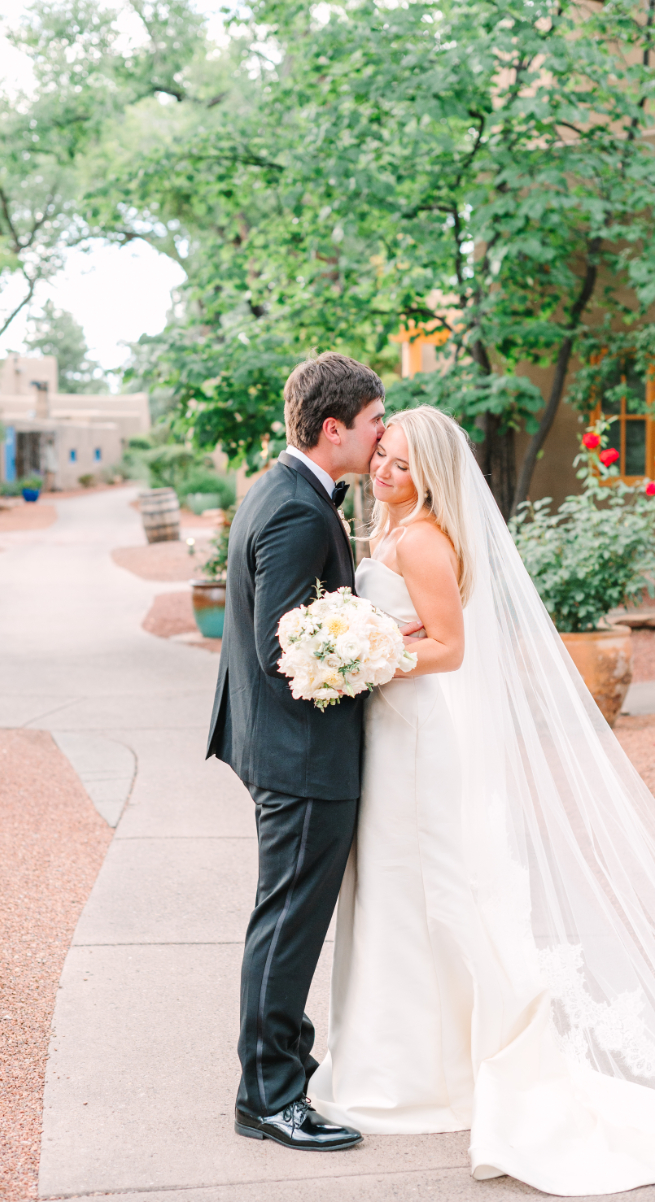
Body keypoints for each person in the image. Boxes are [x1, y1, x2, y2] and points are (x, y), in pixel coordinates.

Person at [308, 405, 655, 1195]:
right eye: (382, 456)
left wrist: (364, 654)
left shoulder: (422, 538)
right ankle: (402, 1063)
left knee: (434, 890)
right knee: (391, 895)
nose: (385, 472)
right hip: (391, 735)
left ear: (430, 476)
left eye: (401, 465)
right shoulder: (387, 532)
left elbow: (450, 648)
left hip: (421, 738)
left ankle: (446, 1075)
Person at [207, 351, 408, 1151]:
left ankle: (282, 1063)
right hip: (301, 757)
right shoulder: (296, 509)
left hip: (288, 751)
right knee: (288, 923)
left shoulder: (286, 489)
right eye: (372, 422)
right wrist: (377, 646)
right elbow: (284, 650)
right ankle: (269, 1096)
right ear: (334, 430)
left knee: (287, 919)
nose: (381, 432)